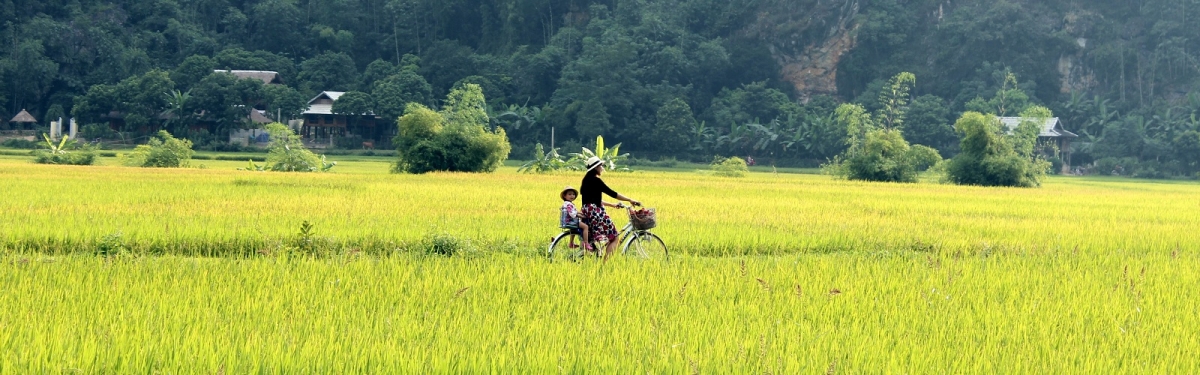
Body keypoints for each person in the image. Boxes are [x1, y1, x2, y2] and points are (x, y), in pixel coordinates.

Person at [579, 156, 641, 259]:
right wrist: (630, 200)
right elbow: (613, 193)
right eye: (601, 166)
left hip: (587, 211)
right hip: (596, 213)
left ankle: (596, 254)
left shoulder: (585, 181)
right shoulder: (596, 180)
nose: (602, 168)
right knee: (615, 238)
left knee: (598, 238)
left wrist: (612, 205)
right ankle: (604, 265)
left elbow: (593, 201)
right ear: (596, 167)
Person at [559, 186, 592, 252]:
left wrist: (581, 214)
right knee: (585, 227)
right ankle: (586, 243)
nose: (572, 196)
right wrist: (582, 216)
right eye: (569, 194)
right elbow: (573, 214)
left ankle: (571, 243)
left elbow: (575, 211)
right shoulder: (568, 204)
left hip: (568, 221)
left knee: (573, 229)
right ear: (564, 196)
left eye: (573, 194)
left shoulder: (568, 204)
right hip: (571, 221)